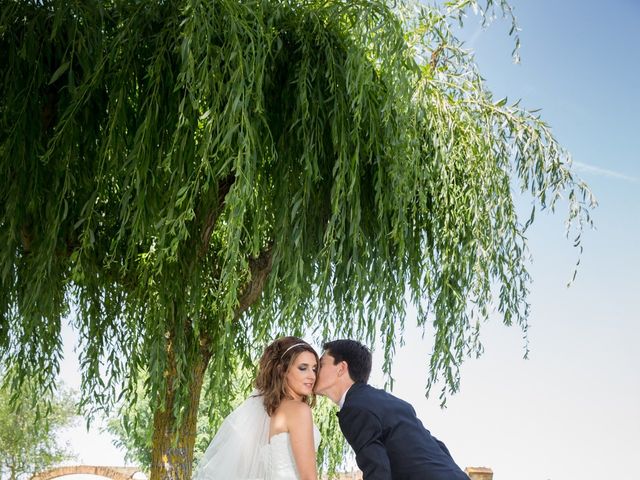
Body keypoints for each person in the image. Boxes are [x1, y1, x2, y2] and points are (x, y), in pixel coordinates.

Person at [314, 339, 468, 480]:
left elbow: (377, 470)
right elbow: (438, 447)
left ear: (341, 368)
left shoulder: (354, 408)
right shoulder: (391, 402)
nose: (314, 370)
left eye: (321, 364)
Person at [193, 336, 320, 480]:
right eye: (303, 368)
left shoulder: (272, 409)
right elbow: (309, 477)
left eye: (314, 369)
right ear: (282, 370)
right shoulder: (299, 410)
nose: (312, 376)